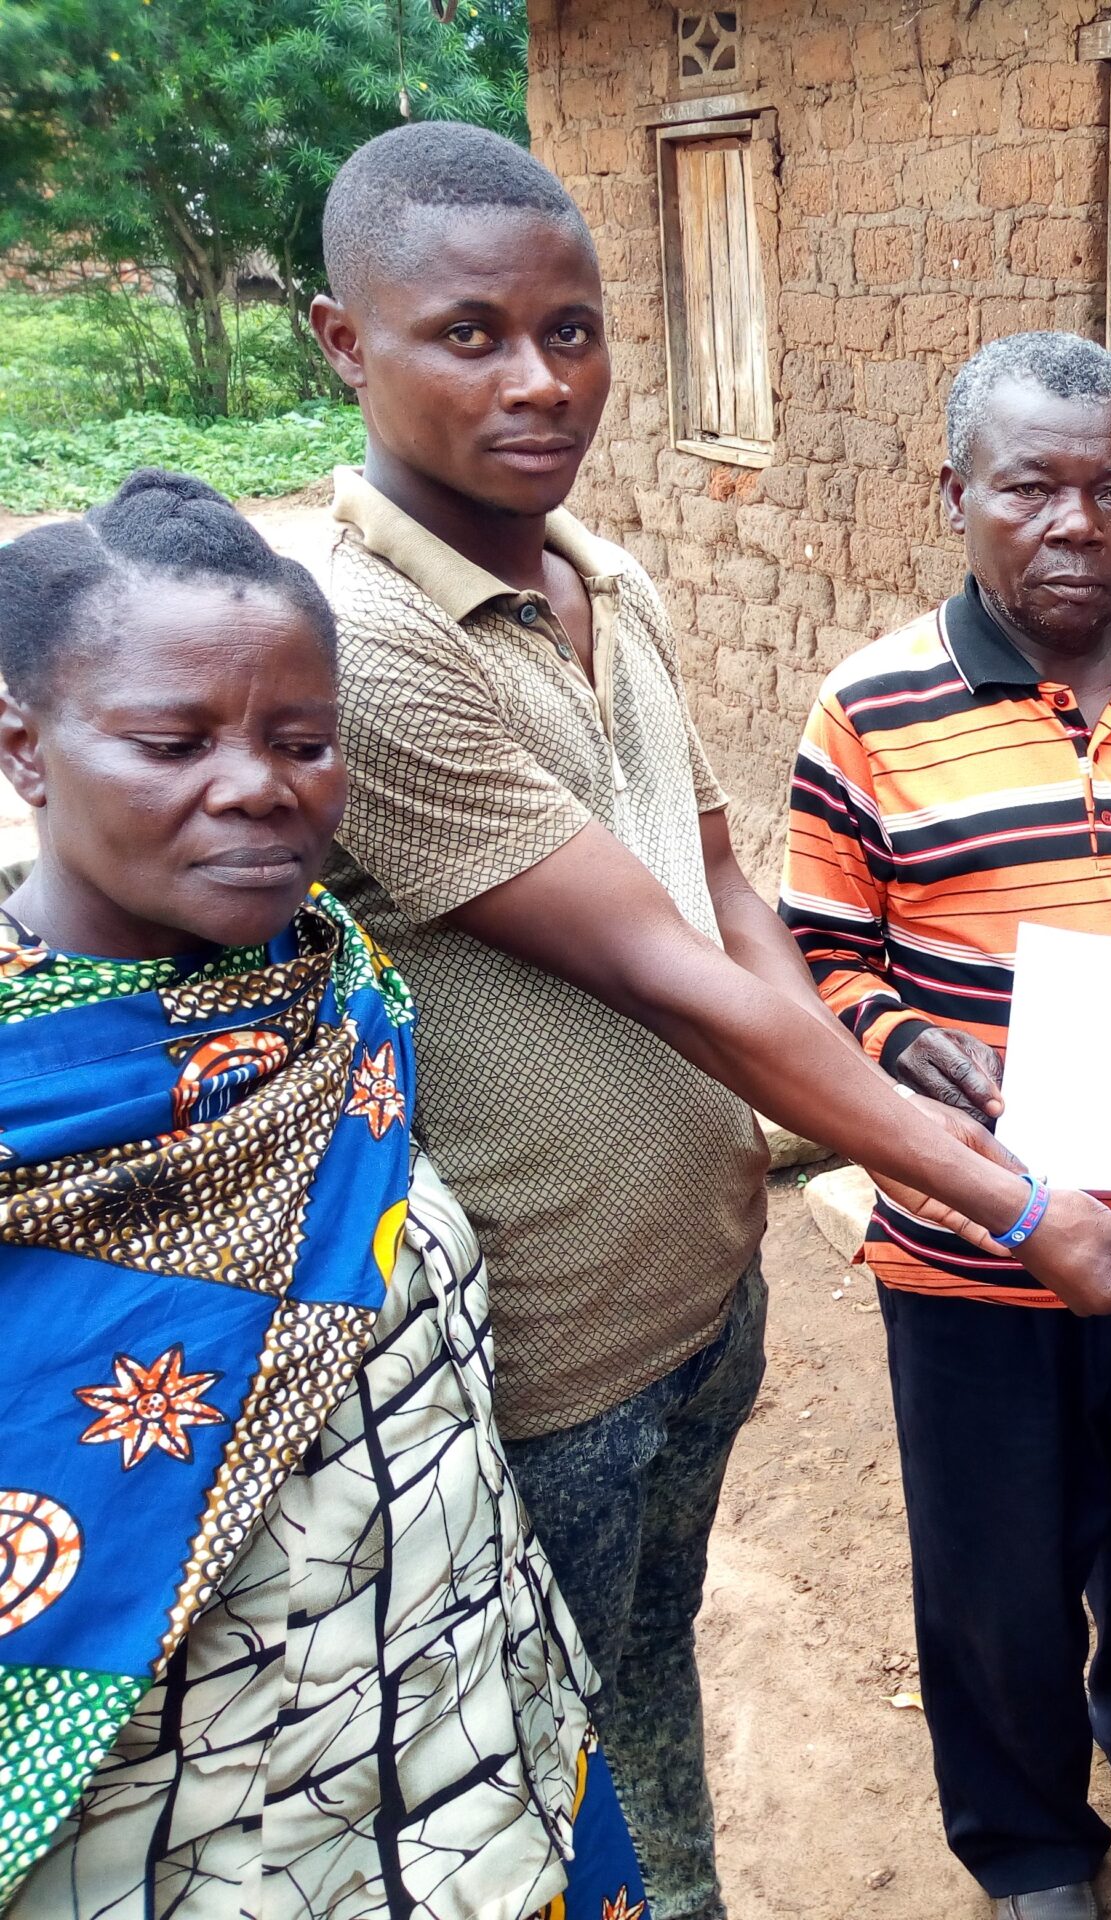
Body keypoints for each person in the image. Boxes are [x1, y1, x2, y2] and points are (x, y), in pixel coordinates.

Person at [305, 124, 1111, 1920]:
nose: (541, 381)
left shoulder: (604, 582)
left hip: (693, 1300)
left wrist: (889, 1107)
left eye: (574, 329)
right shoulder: (366, 647)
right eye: (469, 334)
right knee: (544, 1758)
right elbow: (667, 971)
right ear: (342, 343)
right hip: (542, 1347)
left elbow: (728, 898)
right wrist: (995, 1194)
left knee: (645, 1679)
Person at [0, 471, 644, 1918]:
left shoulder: (335, 990)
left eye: (304, 741)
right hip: (183, 1836)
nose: (259, 785)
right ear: (25, 754)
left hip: (471, 1754)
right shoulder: (27, 1106)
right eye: (173, 741)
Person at [778, 332, 1111, 1920]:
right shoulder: (867, 710)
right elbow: (815, 958)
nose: (1076, 525)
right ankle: (1026, 1840)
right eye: (1034, 488)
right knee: (996, 1580)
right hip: (972, 1241)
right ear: (958, 496)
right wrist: (904, 1038)